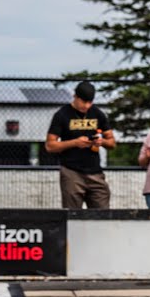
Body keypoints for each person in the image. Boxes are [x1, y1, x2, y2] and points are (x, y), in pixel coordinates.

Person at [45, 80, 116, 209]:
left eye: (90, 102)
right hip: (72, 172)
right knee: (72, 215)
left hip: (95, 172)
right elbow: (50, 145)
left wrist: (102, 142)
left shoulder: (98, 114)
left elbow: (112, 142)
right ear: (75, 97)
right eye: (84, 102)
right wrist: (75, 143)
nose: (87, 106)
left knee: (102, 212)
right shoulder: (62, 115)